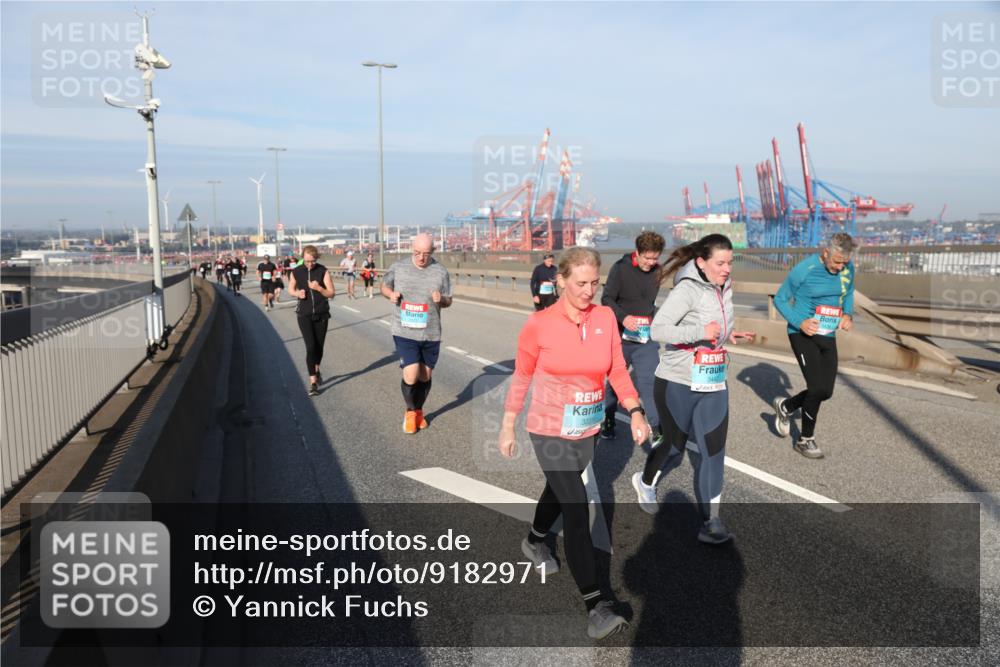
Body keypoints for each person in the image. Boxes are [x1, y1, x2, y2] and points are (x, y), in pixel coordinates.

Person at [499, 246, 651, 640]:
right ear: (561, 280)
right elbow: (522, 377)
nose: (588, 290)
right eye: (581, 283)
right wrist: (508, 425)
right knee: (576, 505)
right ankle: (596, 605)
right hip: (548, 428)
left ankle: (534, 540)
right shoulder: (539, 324)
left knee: (557, 488)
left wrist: (635, 411)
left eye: (594, 282)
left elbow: (616, 370)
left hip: (587, 428)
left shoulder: (604, 318)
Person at [631, 234, 755, 545]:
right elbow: (658, 329)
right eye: (720, 263)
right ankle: (645, 481)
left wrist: (727, 334)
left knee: (714, 452)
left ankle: (711, 521)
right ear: (701, 262)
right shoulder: (687, 289)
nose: (727, 269)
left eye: (730, 263)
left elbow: (715, 325)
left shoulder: (724, 286)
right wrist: (701, 331)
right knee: (673, 447)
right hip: (677, 381)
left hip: (713, 381)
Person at [771, 233, 856, 459]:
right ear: (825, 253)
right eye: (836, 262)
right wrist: (800, 322)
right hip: (802, 333)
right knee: (816, 388)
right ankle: (805, 440)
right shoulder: (804, 269)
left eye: (844, 262)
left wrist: (848, 314)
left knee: (825, 392)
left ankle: (786, 406)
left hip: (827, 333)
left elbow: (848, 292)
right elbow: (780, 299)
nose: (840, 267)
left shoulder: (847, 268)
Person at [381, 233, 452, 434]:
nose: (421, 257)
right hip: (404, 330)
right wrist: (391, 294)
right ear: (411, 250)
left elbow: (449, 300)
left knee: (425, 375)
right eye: (417, 253)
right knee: (411, 373)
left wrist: (441, 299)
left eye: (426, 254)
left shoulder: (440, 272)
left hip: (430, 332)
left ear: (433, 252)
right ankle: (410, 412)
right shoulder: (399, 267)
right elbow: (384, 286)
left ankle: (419, 410)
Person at [600, 231, 665, 443]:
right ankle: (608, 418)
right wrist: (624, 317)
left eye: (655, 258)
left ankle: (657, 428)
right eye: (647, 258)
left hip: (645, 338)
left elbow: (648, 303)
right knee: (616, 383)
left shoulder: (658, 271)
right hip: (621, 337)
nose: (651, 262)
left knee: (650, 382)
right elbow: (606, 299)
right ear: (637, 252)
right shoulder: (620, 268)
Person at [288, 245, 336, 396]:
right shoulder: (296, 271)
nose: (310, 264)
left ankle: (316, 369)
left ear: (316, 259)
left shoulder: (323, 271)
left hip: (321, 314)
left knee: (319, 347)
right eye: (307, 261)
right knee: (310, 347)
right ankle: (313, 382)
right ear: (302, 258)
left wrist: (319, 288)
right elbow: (290, 289)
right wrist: (297, 293)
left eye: (313, 261)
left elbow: (331, 293)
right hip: (304, 314)